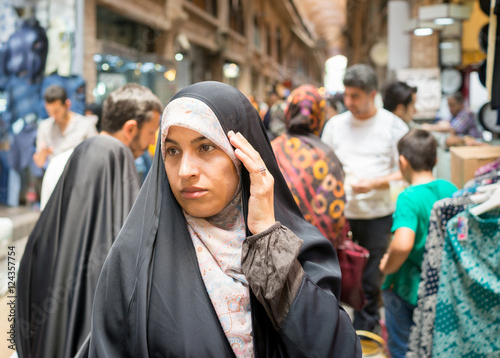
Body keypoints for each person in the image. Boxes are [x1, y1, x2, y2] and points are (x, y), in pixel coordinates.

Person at [78, 81, 361, 357]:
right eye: (173, 151)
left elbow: (335, 348)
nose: (185, 170)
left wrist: (265, 239)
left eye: (206, 147)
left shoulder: (295, 251)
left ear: (244, 157)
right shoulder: (133, 262)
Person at [16, 83, 163, 358]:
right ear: (131, 128)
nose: (151, 142)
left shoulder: (69, 159)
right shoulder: (116, 157)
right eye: (151, 133)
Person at [321, 64, 409, 333]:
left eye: (355, 96)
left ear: (372, 95)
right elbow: (324, 166)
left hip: (377, 215)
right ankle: (338, 334)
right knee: (337, 277)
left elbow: (406, 171)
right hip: (341, 215)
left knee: (370, 281)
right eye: (347, 95)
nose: (348, 102)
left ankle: (367, 336)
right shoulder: (335, 126)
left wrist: (374, 182)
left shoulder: (394, 127)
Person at [379, 129, 457, 358]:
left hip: (407, 290)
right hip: (441, 286)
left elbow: (403, 244)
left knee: (403, 347)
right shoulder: (449, 189)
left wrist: (387, 266)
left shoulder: (408, 197)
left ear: (402, 162)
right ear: (435, 160)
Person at [272, 84, 346, 248]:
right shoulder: (327, 156)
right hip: (319, 249)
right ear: (320, 115)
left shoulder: (271, 149)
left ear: (289, 111)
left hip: (279, 248)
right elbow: (336, 211)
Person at [33, 85, 97, 168]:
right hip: (55, 176)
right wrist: (43, 153)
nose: (53, 115)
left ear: (67, 105)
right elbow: (39, 163)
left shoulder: (85, 124)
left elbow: (96, 154)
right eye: (49, 112)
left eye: (56, 111)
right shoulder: (44, 127)